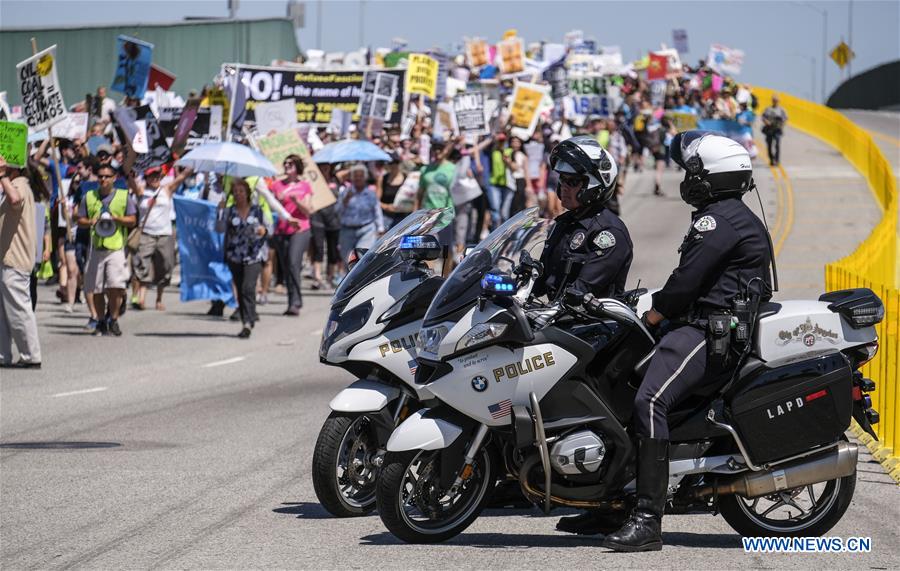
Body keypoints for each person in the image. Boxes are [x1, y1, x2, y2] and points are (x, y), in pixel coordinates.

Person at [601, 132, 772, 552]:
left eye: (694, 172)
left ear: (713, 177)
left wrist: (653, 314)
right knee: (617, 383)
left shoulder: (718, 221)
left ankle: (647, 520)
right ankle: (611, 503)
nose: (688, 179)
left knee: (650, 401)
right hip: (704, 325)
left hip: (709, 331)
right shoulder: (731, 215)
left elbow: (684, 284)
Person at [532, 135, 633, 304]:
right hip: (556, 314)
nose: (564, 187)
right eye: (562, 179)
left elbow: (581, 290)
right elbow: (541, 283)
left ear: (594, 187)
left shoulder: (608, 232)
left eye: (572, 181)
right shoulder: (563, 223)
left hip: (590, 318)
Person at [76, 162, 137, 337]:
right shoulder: (89, 196)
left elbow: (133, 220)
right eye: (100, 176)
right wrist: (91, 222)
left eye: (107, 176)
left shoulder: (124, 196)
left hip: (116, 247)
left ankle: (114, 319)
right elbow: (80, 220)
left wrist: (117, 219)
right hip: (96, 247)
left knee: (115, 286)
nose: (103, 179)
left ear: (114, 178)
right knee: (96, 288)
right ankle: (101, 320)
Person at [128, 165, 192, 311]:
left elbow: (182, 177)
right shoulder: (141, 191)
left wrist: (190, 165)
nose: (155, 178)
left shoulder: (166, 189)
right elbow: (130, 181)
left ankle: (159, 299)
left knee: (165, 266)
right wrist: (128, 170)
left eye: (157, 176)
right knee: (142, 265)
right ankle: (140, 298)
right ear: (146, 178)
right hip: (146, 233)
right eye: (152, 176)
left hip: (165, 234)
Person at [0, 155, 42, 368]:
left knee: (18, 309)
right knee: (2, 312)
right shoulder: (13, 184)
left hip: (15, 258)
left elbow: (15, 200)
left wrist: (2, 176)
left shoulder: (20, 185)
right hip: (6, 258)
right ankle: (3, 354)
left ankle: (30, 355)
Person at [216, 178, 272, 338]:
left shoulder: (257, 210)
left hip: (254, 255)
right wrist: (220, 212)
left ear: (247, 193)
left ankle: (248, 320)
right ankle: (246, 319)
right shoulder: (229, 211)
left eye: (241, 191)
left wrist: (264, 230)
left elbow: (270, 229)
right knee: (241, 289)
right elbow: (219, 229)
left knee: (248, 287)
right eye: (235, 192)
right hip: (235, 256)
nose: (238, 194)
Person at [270, 155, 313, 316]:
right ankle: (291, 302)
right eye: (285, 163)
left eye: (291, 163)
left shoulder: (305, 186)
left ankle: (296, 302)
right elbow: (270, 207)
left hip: (300, 230)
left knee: (294, 263)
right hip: (281, 230)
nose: (287, 165)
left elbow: (308, 211)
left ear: (297, 167)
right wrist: (278, 202)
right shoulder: (276, 185)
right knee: (286, 266)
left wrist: (297, 201)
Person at [337, 164, 383, 269]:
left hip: (366, 230)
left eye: (361, 176)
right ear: (351, 178)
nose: (358, 178)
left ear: (365, 178)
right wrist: (345, 201)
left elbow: (377, 211)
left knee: (362, 258)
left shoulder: (370, 194)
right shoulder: (345, 192)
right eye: (355, 176)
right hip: (347, 230)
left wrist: (380, 228)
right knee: (347, 260)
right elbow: (337, 211)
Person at [762, 94, 788, 166]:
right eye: (774, 100)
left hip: (777, 130)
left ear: (778, 101)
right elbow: (763, 117)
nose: (775, 101)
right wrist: (767, 122)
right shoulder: (768, 109)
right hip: (769, 129)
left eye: (776, 100)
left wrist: (781, 125)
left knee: (777, 145)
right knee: (769, 145)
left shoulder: (781, 110)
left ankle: (777, 160)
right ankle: (771, 159)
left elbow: (785, 118)